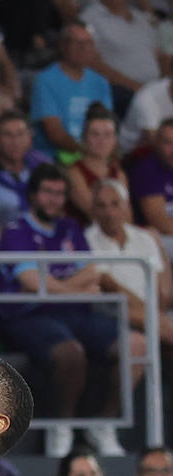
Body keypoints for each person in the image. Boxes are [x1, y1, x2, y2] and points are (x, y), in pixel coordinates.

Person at [0, 163, 142, 458]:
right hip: (28, 315)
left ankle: (104, 424)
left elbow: (93, 272)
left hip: (76, 313)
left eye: (60, 194)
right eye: (48, 192)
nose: (54, 200)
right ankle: (62, 425)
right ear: (33, 195)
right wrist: (73, 287)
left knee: (137, 345)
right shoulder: (15, 231)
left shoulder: (70, 228)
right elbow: (32, 283)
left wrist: (55, 286)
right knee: (70, 353)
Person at [86, 178, 173, 352]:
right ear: (93, 210)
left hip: (149, 311)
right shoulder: (87, 239)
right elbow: (108, 284)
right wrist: (151, 313)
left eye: (115, 204)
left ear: (126, 206)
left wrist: (156, 312)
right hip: (113, 310)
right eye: (102, 206)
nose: (109, 212)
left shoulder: (143, 237)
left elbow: (158, 283)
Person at [81, 0, 165, 105]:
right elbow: (93, 63)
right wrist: (138, 88)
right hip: (122, 92)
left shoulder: (143, 19)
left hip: (154, 91)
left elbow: (158, 57)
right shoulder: (89, 18)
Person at [29, 23, 112, 160]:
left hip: (93, 153)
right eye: (77, 43)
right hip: (56, 157)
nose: (84, 48)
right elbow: (55, 134)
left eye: (88, 43)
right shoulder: (45, 80)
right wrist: (88, 153)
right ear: (63, 46)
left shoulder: (100, 82)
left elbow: (107, 124)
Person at [0, 109, 44, 226]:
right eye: (7, 135)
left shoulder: (42, 169)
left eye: (21, 134)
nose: (15, 142)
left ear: (30, 137)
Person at [66, 107, 127, 222]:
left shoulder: (119, 173)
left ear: (115, 140)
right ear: (84, 138)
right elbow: (96, 214)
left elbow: (127, 215)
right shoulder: (74, 173)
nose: (101, 140)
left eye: (107, 135)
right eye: (95, 134)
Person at [129, 117, 173, 258]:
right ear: (157, 143)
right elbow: (159, 221)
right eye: (167, 143)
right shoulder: (146, 170)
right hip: (159, 236)